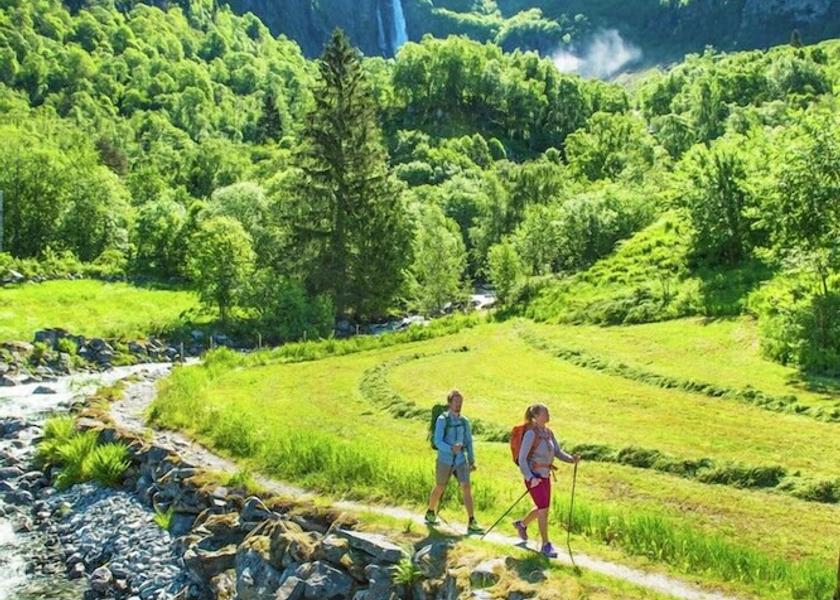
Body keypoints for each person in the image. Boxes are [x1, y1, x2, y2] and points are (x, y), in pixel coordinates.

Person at [513, 403, 580, 558]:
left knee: (543, 508)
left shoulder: (548, 433)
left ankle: (521, 524)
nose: (548, 414)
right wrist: (530, 478)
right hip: (534, 477)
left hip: (545, 476)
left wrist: (571, 460)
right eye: (545, 412)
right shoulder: (530, 434)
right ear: (536, 416)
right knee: (543, 509)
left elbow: (557, 451)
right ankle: (545, 545)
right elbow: (522, 459)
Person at [424, 390, 483, 534]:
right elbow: (437, 441)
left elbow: (468, 441)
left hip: (461, 460)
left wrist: (471, 460)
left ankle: (471, 521)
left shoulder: (465, 421)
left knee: (466, 487)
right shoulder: (442, 420)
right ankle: (430, 511)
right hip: (445, 460)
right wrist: (451, 448)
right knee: (440, 487)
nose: (459, 405)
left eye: (460, 402)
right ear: (450, 403)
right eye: (456, 402)